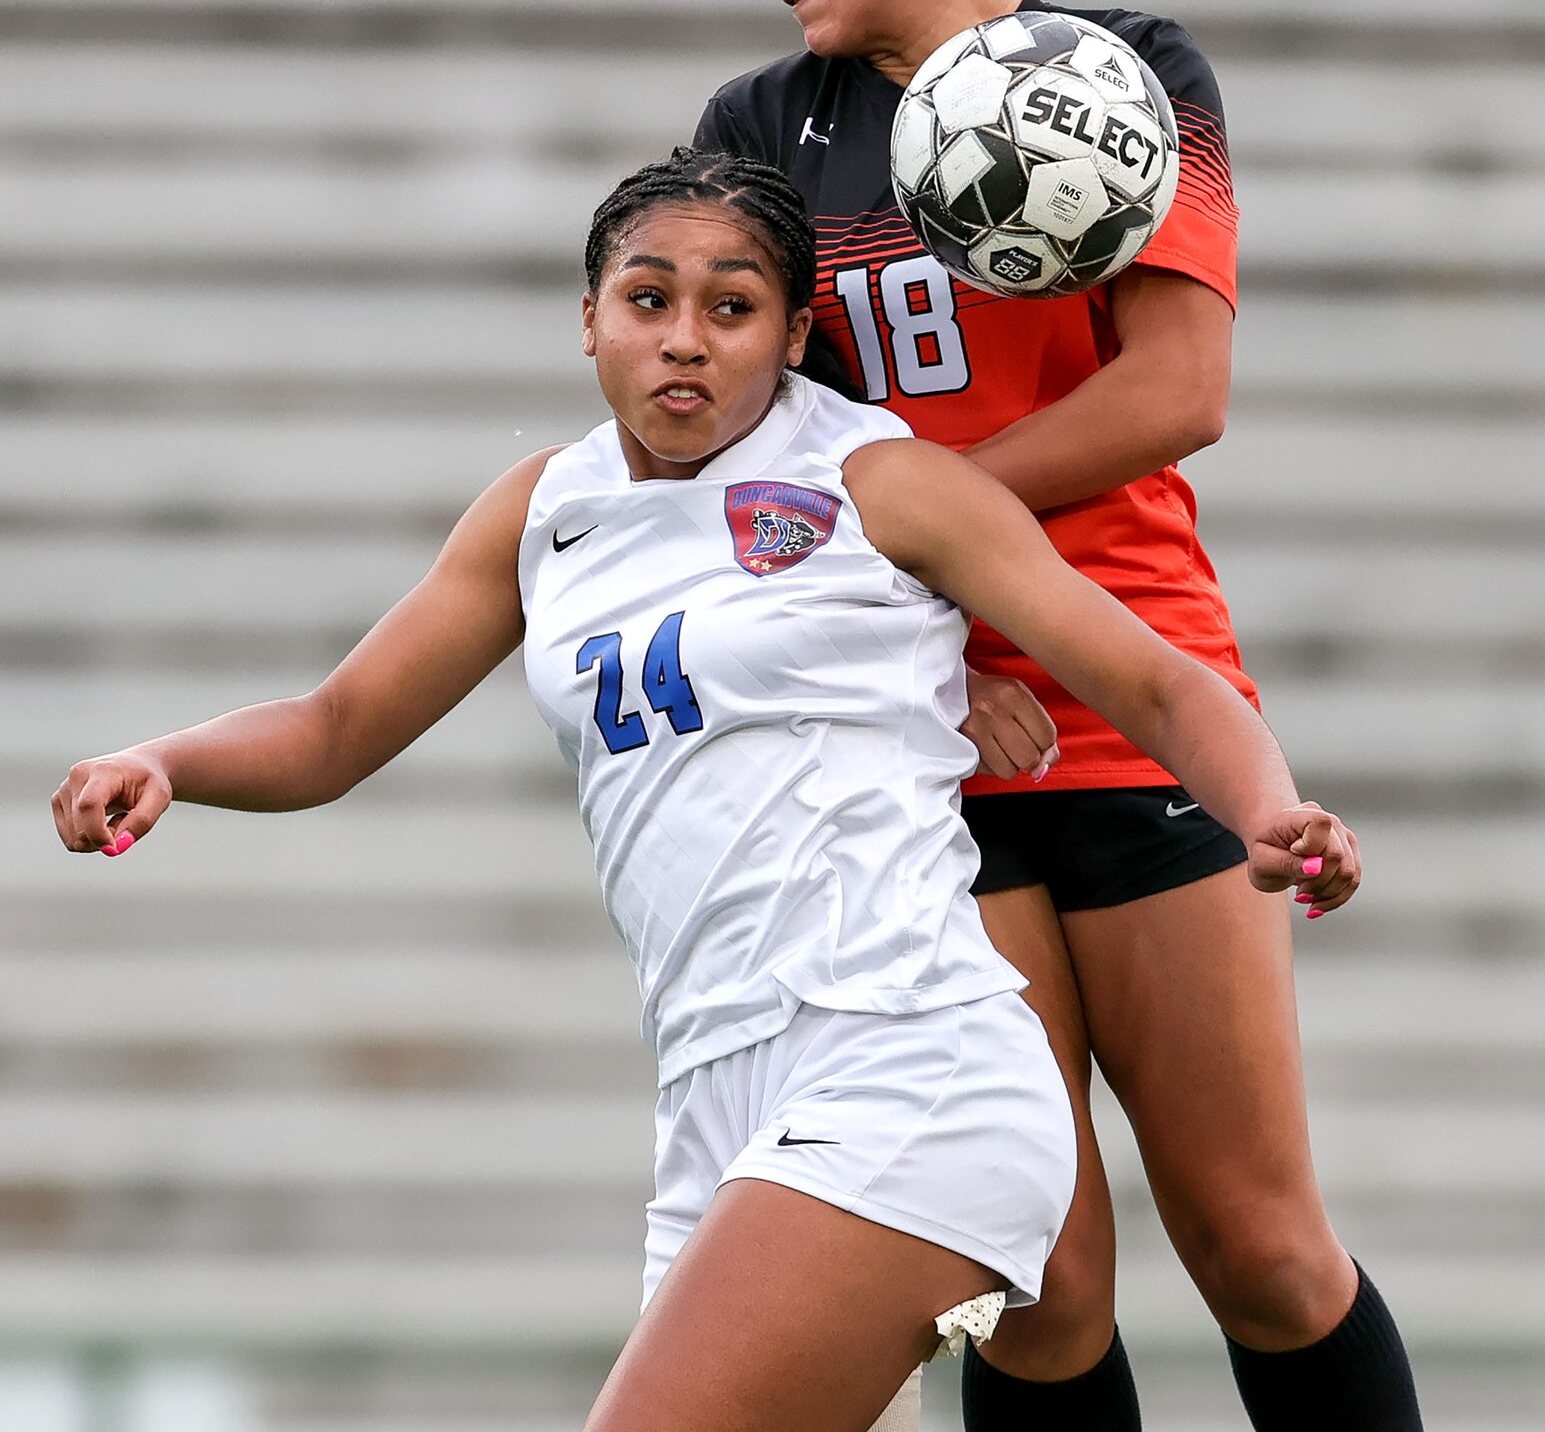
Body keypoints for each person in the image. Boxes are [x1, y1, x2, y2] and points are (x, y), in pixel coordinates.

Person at [52, 150, 1362, 1432]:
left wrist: (1267, 809)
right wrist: (165, 760)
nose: (684, 337)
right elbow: (333, 727)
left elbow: (1154, 682)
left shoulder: (880, 479)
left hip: (900, 1057)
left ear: (793, 330)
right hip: (715, 1105)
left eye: (730, 305)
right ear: (587, 319)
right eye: (647, 299)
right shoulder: (543, 510)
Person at [574, 0, 1424, 1432]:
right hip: (904, 745)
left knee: (1260, 1245)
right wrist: (905, 599)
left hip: (1125, 702)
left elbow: (1174, 392)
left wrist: (918, 517)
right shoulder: (757, 134)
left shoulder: (1122, 79)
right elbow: (749, 463)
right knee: (1032, 1284)